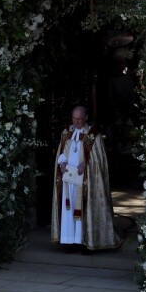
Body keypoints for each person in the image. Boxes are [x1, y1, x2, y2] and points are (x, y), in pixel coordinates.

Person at [51, 106, 121, 251]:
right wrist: (62, 162)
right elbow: (61, 151)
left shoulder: (93, 134)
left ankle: (85, 241)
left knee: (84, 209)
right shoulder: (66, 132)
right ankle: (69, 241)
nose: (76, 121)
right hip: (68, 180)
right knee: (68, 210)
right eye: (74, 118)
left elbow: (98, 160)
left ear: (86, 118)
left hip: (86, 180)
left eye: (80, 119)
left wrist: (86, 164)